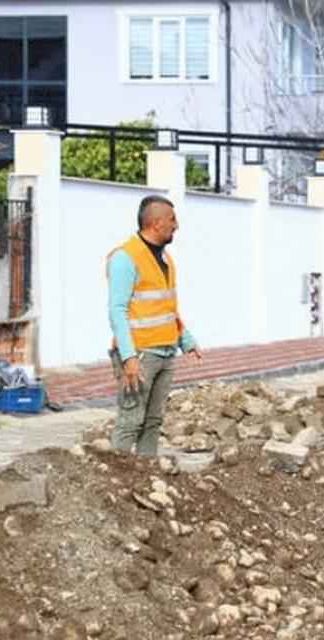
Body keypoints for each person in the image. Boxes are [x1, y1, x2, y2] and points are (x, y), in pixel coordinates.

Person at [107, 195, 203, 456]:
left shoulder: (166, 259)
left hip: (165, 353)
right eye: (172, 219)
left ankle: (146, 476)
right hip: (140, 356)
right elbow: (117, 311)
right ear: (156, 222)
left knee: (153, 422)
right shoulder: (125, 258)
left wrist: (186, 340)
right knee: (130, 422)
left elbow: (166, 308)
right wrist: (128, 358)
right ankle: (117, 483)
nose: (177, 225)